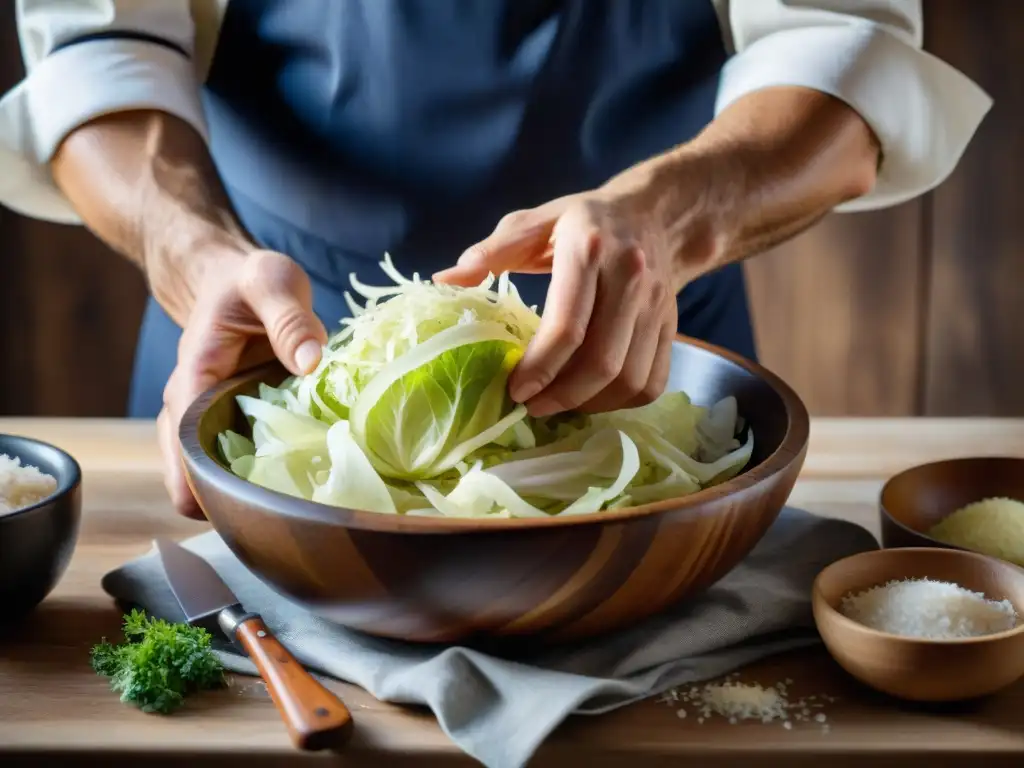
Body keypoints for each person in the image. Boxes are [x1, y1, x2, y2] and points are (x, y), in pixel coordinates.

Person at [0, 1, 990, 519]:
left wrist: (663, 220)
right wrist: (193, 253)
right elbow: (99, 45)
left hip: (637, 360)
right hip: (260, 333)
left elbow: (845, 43)